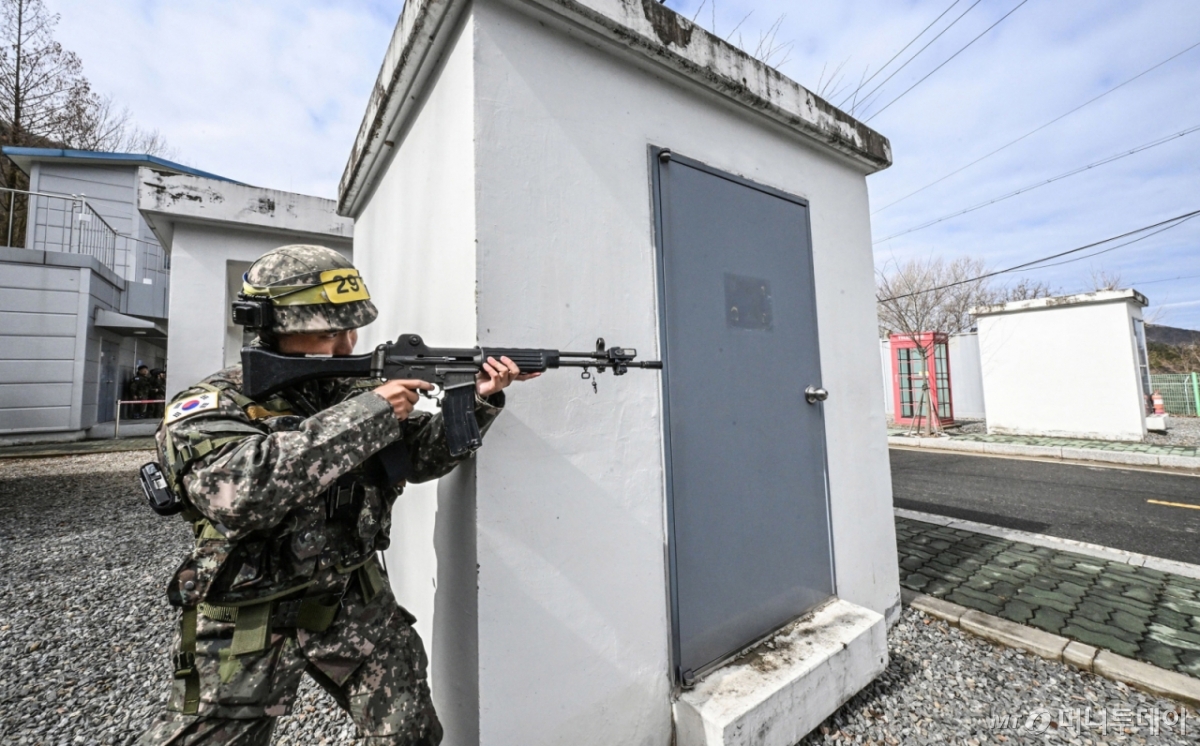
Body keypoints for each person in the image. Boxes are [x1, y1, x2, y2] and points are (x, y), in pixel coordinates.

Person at [138, 244, 537, 745]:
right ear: (273, 329)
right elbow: (238, 495)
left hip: (351, 595)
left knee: (409, 732)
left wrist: (477, 397)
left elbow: (419, 459)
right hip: (250, 610)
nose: (348, 346)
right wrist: (370, 412)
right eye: (330, 333)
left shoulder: (346, 389)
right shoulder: (211, 405)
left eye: (352, 330)